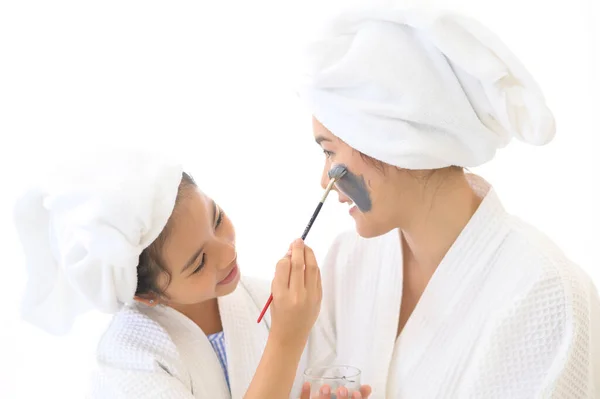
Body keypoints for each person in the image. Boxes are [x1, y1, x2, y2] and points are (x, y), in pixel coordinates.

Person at [299, 5, 600, 398]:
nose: (325, 179)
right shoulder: (347, 262)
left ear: (393, 143)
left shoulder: (546, 293)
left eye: (330, 153)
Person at [12, 151, 370, 399]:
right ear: (146, 295)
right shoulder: (128, 360)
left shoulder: (263, 299)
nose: (228, 252)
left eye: (217, 219)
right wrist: (286, 338)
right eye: (198, 263)